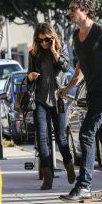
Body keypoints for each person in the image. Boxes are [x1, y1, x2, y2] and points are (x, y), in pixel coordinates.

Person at [59, 0, 102, 202]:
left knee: (86, 134)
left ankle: (84, 186)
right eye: (70, 8)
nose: (70, 12)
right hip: (91, 92)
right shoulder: (76, 36)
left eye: (74, 8)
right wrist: (68, 88)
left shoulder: (101, 31)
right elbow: (81, 66)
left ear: (86, 8)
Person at [27, 22, 75, 190]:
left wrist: (54, 51)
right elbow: (28, 77)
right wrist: (30, 77)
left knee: (61, 138)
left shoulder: (60, 51)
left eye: (46, 40)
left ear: (52, 37)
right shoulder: (34, 54)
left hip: (58, 100)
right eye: (40, 41)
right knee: (42, 139)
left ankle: (69, 165)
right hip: (40, 100)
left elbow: (66, 67)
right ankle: (48, 177)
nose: (43, 44)